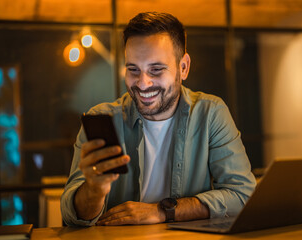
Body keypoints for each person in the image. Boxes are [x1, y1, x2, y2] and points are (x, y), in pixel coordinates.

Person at [61, 12, 256, 227]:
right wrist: (94, 190)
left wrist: (163, 211)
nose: (143, 83)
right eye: (133, 69)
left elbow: (242, 196)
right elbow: (72, 217)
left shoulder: (210, 113)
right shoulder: (102, 118)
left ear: (183, 67)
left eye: (156, 70)